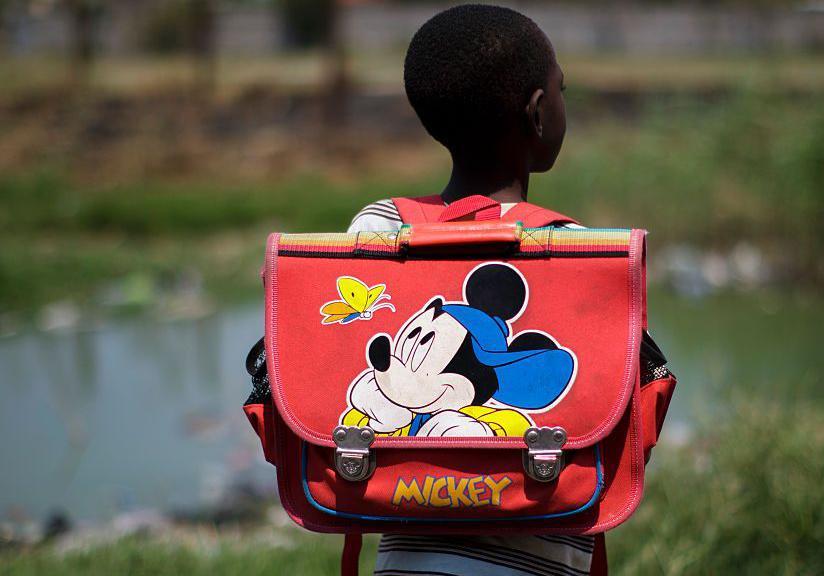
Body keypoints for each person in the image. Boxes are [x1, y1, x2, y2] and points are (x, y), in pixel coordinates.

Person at [247, 4, 671, 574]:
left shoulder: (376, 227)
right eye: (561, 91)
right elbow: (629, 416)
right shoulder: (573, 248)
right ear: (539, 114)